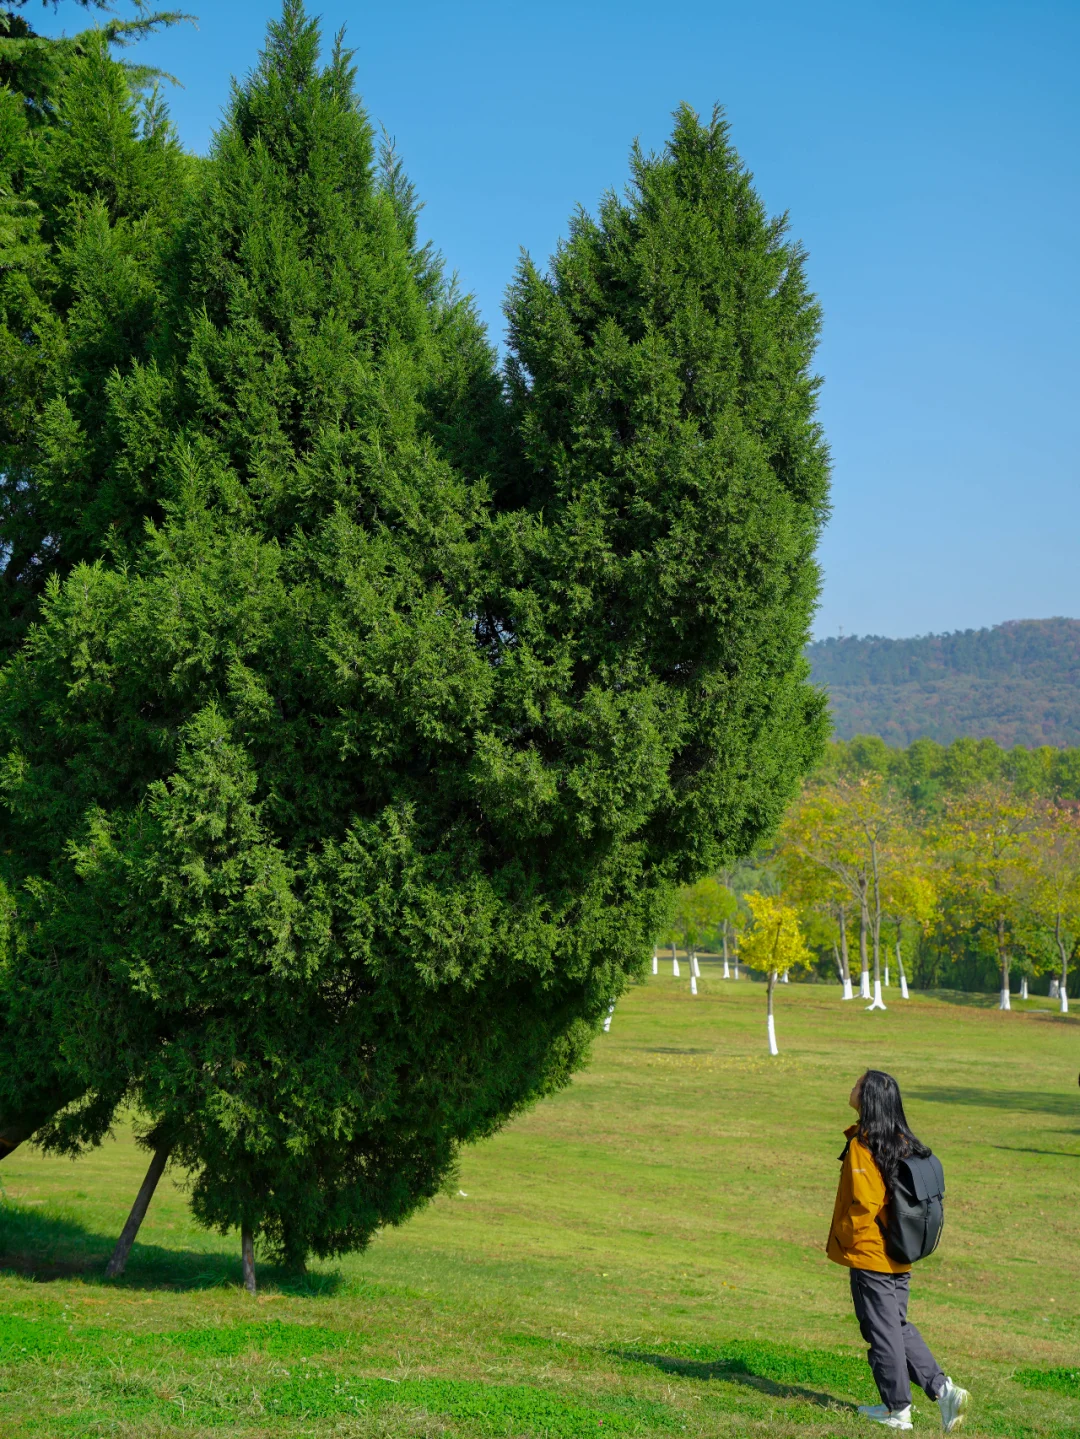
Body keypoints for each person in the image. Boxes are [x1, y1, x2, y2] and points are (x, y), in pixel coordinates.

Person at [827, 1069, 970, 1432]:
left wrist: (844, 1236)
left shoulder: (865, 1144)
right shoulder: (902, 1139)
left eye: (858, 1085)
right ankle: (944, 1390)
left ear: (869, 1097)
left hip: (871, 1253)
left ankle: (897, 1410)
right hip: (900, 1251)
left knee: (882, 1331)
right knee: (897, 1326)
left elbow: (865, 1202)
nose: (852, 1087)